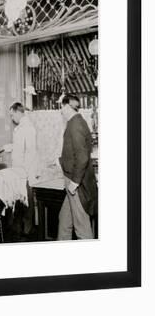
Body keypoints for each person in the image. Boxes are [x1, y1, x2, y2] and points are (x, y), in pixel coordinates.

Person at [57, 94, 98, 240]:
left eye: (61, 106)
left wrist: (74, 183)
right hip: (72, 181)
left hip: (76, 184)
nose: (60, 110)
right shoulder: (77, 121)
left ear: (67, 106)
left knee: (82, 228)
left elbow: (82, 157)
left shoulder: (75, 124)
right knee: (64, 222)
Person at [3, 102, 39, 239]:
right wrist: (8, 147)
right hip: (19, 171)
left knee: (26, 201)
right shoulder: (20, 128)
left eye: (12, 115)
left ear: (18, 112)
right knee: (20, 200)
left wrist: (26, 171)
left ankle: (28, 231)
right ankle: (20, 229)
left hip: (25, 171)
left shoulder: (28, 127)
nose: (12, 118)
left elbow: (30, 151)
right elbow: (20, 147)